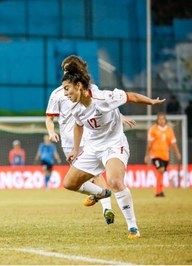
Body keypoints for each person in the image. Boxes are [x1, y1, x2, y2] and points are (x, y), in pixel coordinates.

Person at [62, 61, 165, 238]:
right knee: (69, 183)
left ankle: (133, 228)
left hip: (114, 144)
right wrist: (75, 149)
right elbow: (78, 126)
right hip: (93, 148)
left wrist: (151, 102)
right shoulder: (76, 108)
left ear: (78, 85)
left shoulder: (103, 98)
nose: (65, 93)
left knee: (115, 180)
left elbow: (131, 96)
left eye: (66, 88)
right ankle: (102, 193)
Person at [46, 55, 136, 225]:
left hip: (89, 138)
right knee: (75, 180)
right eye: (65, 69)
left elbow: (104, 106)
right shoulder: (57, 94)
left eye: (69, 68)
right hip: (68, 141)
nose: (66, 71)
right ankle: (102, 194)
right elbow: (49, 119)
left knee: (97, 173)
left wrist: (120, 116)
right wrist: (51, 132)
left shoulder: (89, 89)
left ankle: (106, 207)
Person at [144, 113, 181, 197]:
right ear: (157, 120)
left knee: (161, 172)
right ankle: (158, 191)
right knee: (160, 170)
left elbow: (173, 143)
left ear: (165, 120)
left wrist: (177, 153)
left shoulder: (169, 130)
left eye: (163, 119)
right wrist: (147, 155)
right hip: (155, 155)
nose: (161, 120)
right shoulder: (153, 129)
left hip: (165, 155)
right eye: (159, 119)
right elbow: (149, 144)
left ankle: (160, 190)